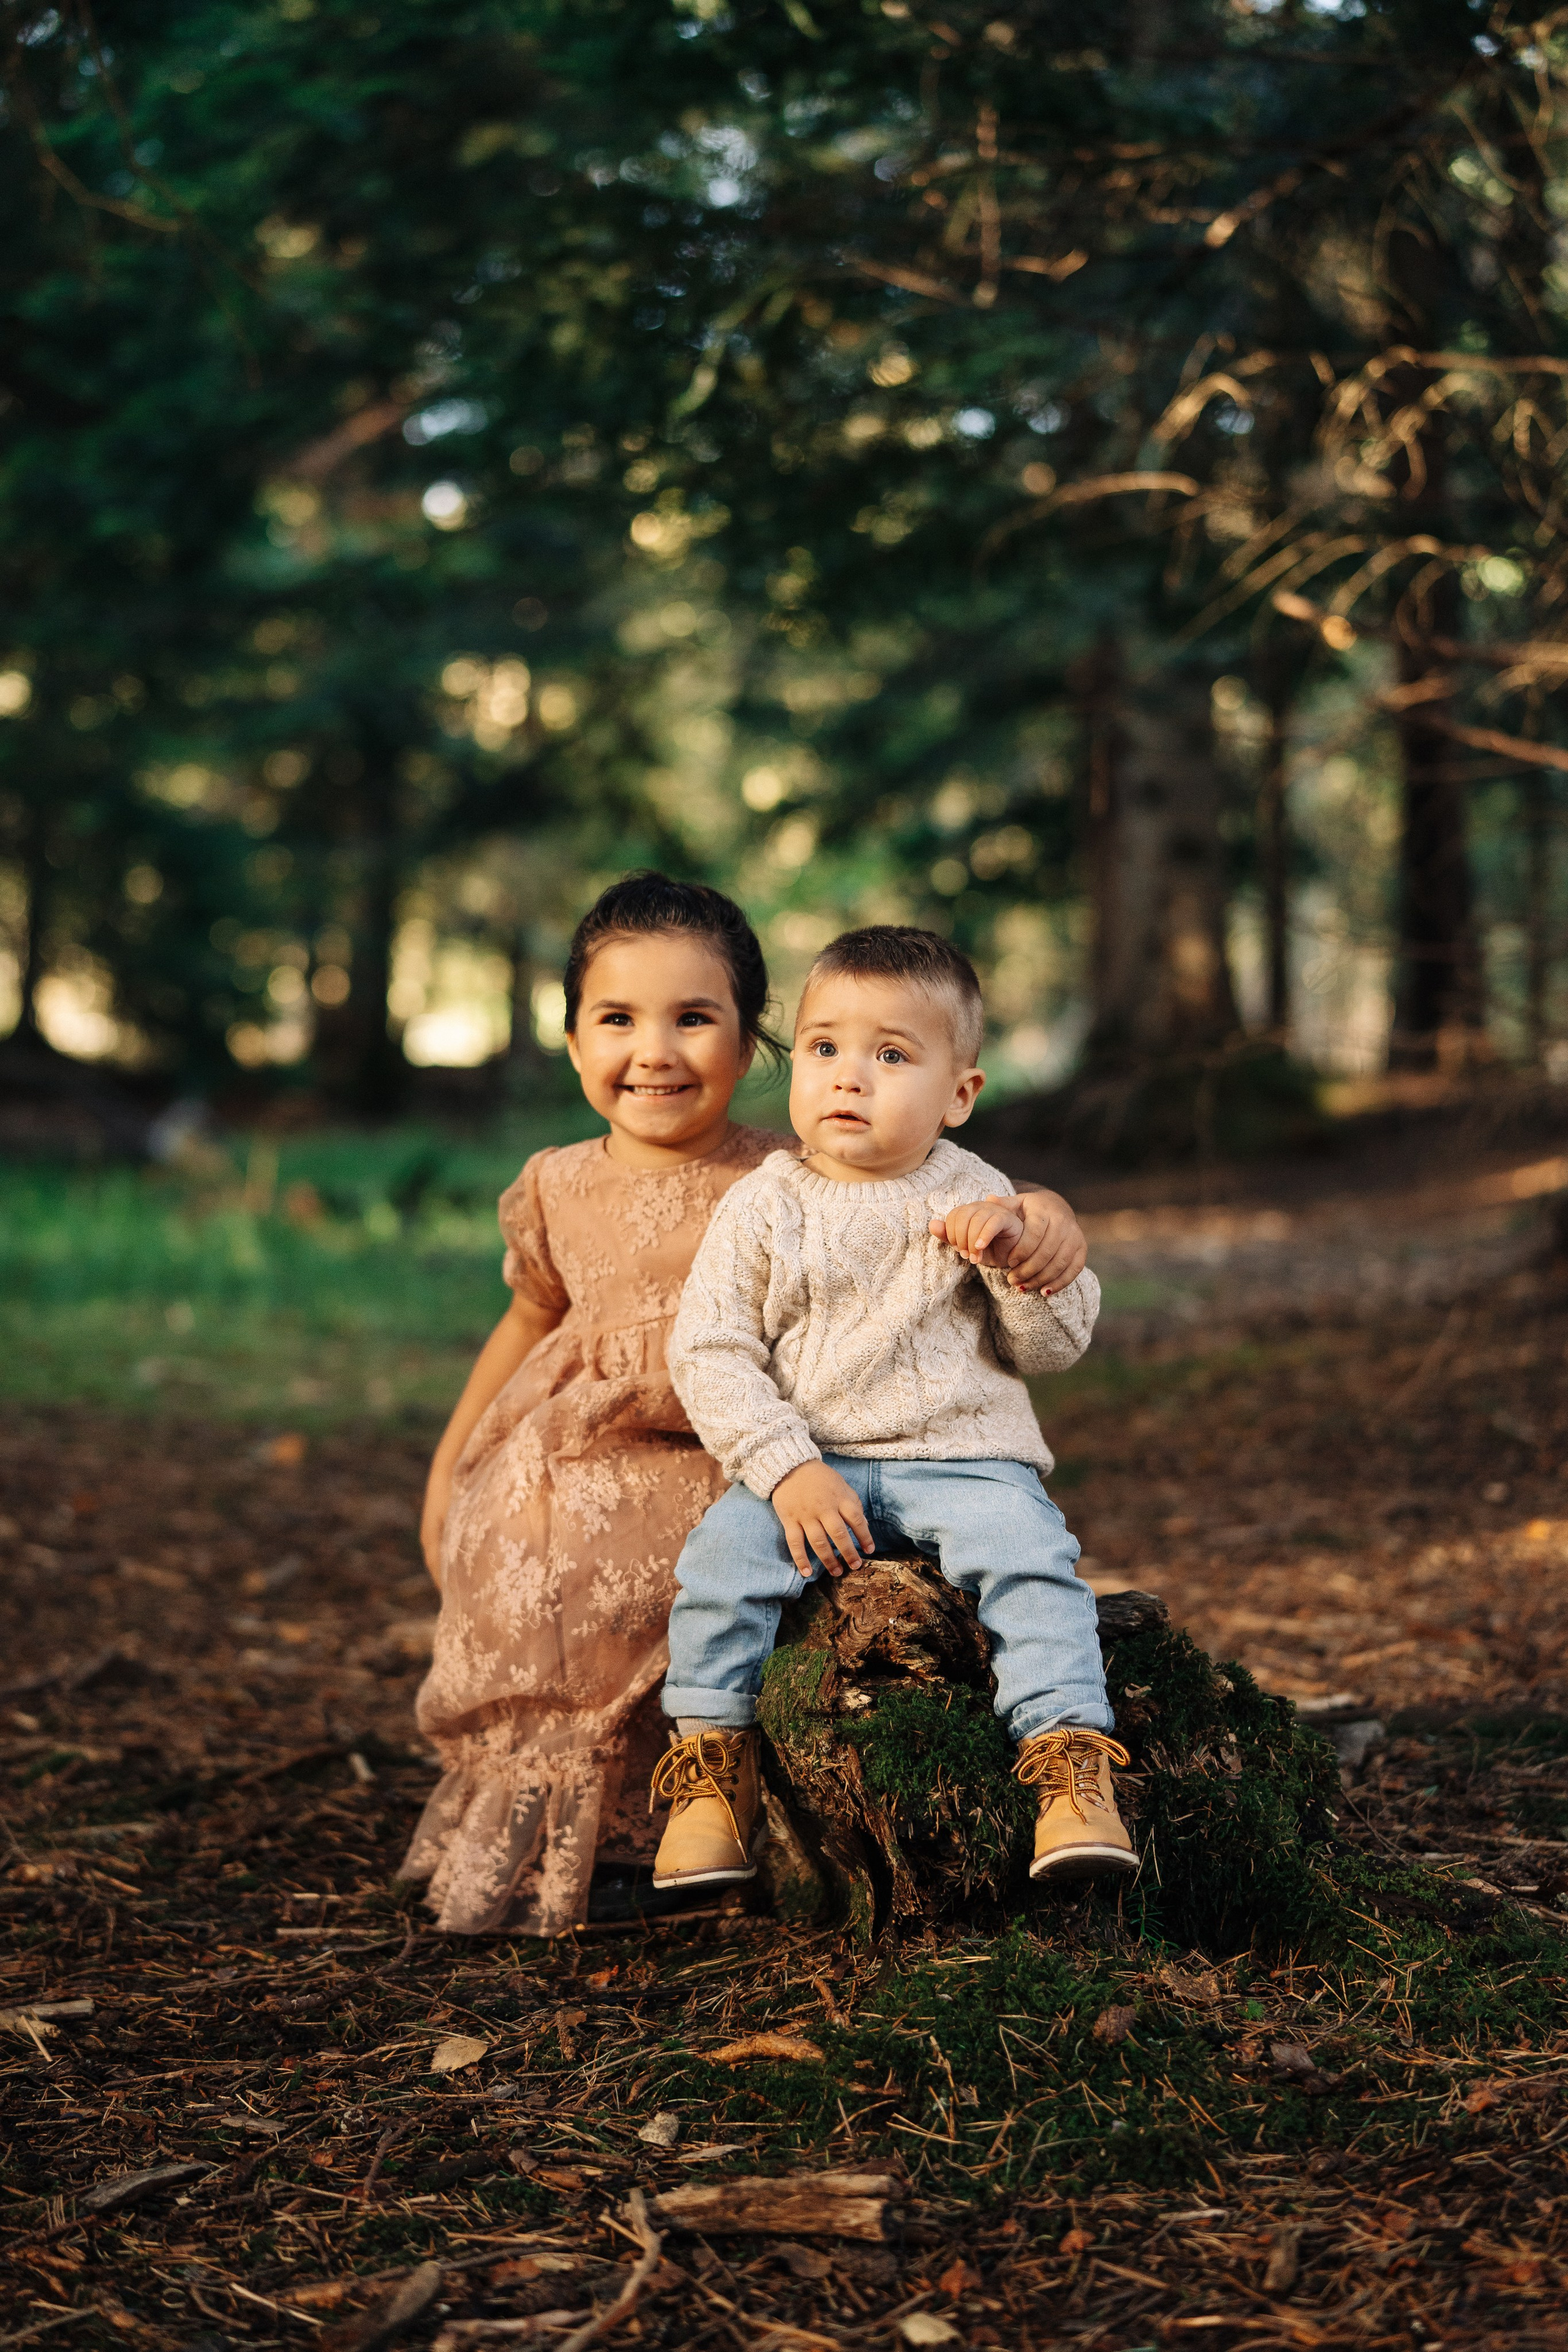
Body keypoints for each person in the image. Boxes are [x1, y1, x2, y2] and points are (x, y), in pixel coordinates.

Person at [402, 877, 1086, 1936]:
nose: (655, 1051)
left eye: (693, 1018)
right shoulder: (555, 1182)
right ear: (572, 1040)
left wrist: (1046, 1213)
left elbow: (937, 1190)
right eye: (616, 1020)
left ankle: (721, 1820)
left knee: (696, 1561)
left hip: (745, 1442)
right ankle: (584, 1846)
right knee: (541, 1571)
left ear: (752, 1040)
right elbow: (530, 1316)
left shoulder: (795, 1167)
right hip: (579, 1446)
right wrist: (451, 1470)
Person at [653, 924, 1135, 1896]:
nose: (849, 1076)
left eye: (892, 1055)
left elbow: (1053, 1349)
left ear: (960, 1094)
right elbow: (709, 1350)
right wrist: (784, 1468)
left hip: (967, 1461)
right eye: (825, 1046)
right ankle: (712, 1771)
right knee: (720, 1565)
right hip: (809, 1465)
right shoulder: (763, 1205)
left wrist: (1017, 1263)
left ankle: (1069, 1765)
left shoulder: (982, 1193)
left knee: (1033, 1564)